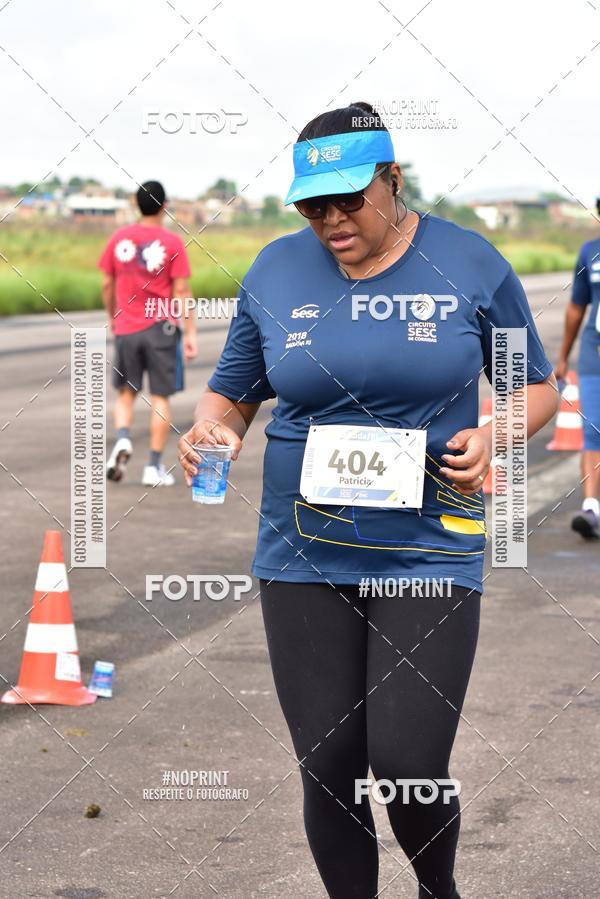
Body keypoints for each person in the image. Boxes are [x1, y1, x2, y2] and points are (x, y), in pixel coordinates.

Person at [178, 103, 558, 899]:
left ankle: (438, 889)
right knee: (328, 763)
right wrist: (213, 431)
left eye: (349, 200)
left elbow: (533, 388)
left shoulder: (471, 262)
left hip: (428, 548)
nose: (331, 221)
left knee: (407, 761)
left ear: (393, 179)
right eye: (313, 206)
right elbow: (232, 397)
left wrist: (495, 433)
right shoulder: (276, 270)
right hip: (303, 552)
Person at [100, 179, 197, 486]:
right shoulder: (172, 243)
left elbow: (106, 283)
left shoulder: (119, 238)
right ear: (164, 207)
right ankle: (152, 467)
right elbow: (182, 291)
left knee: (125, 393)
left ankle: (123, 439)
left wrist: (113, 316)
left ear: (136, 204)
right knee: (160, 398)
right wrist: (190, 333)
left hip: (127, 328)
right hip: (161, 328)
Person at [556, 196, 600, 539]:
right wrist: (563, 356)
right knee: (593, 429)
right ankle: (591, 508)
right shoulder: (590, 252)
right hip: (593, 352)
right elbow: (576, 307)